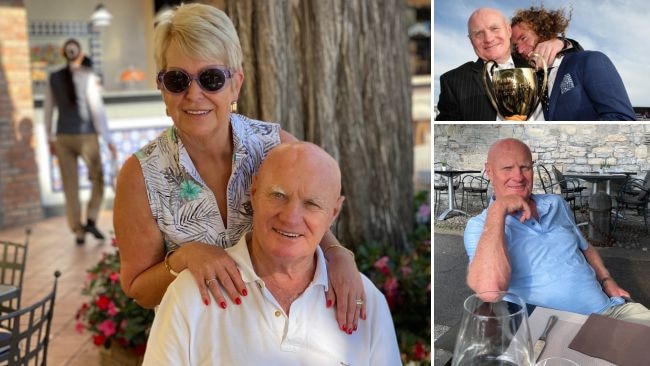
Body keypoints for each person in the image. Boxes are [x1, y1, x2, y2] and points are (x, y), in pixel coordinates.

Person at [113, 3, 365, 332]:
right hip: (197, 338)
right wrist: (185, 258)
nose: (194, 94)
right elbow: (138, 289)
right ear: (162, 88)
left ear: (236, 84)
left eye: (211, 78)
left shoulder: (275, 146)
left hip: (282, 329)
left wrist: (337, 253)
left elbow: (305, 217)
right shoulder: (139, 175)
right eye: (177, 80)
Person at [142, 142, 401, 365]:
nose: (290, 217)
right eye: (278, 195)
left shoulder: (363, 300)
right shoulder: (191, 295)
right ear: (254, 194)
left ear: (333, 213)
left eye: (311, 203)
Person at [464, 138, 650, 327]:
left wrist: (606, 279)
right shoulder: (480, 226)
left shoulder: (555, 203)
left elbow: (585, 248)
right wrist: (499, 210)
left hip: (611, 310)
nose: (518, 177)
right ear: (489, 172)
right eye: (507, 168)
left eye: (525, 167)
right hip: (557, 327)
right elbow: (490, 292)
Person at [436, 7, 578, 121]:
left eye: (494, 29)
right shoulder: (453, 81)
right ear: (471, 40)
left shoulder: (536, 63)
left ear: (508, 31)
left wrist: (562, 42)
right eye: (478, 33)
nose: (488, 38)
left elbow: (581, 63)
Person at [43, 38, 117, 245]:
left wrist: (49, 137)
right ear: (81, 54)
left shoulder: (53, 78)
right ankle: (91, 218)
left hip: (63, 137)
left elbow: (48, 110)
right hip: (86, 136)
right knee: (98, 178)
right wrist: (108, 139)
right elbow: (97, 111)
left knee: (70, 186)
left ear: (63, 53)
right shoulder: (88, 77)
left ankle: (78, 231)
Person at [511, 6, 635, 121]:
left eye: (523, 38)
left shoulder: (590, 60)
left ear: (542, 30)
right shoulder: (531, 83)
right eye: (516, 46)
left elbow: (622, 119)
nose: (520, 50)